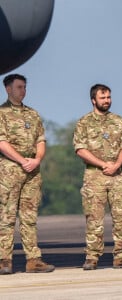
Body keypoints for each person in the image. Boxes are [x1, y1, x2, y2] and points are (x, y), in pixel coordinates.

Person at [73, 83, 122, 270]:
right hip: (95, 176)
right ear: (94, 100)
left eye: (109, 97)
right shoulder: (84, 123)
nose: (107, 101)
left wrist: (116, 164)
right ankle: (92, 257)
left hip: (118, 175)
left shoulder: (119, 121)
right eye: (103, 98)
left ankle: (121, 257)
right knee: (94, 219)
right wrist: (103, 165)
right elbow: (80, 149)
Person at [0, 74, 55, 275]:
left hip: (32, 169)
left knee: (29, 216)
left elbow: (41, 141)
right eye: (19, 87)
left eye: (24, 87)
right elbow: (2, 143)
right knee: (6, 215)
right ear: (8, 89)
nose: (23, 91)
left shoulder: (33, 114)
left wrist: (37, 159)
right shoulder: (2, 113)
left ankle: (33, 259)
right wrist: (22, 161)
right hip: (10, 169)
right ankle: (4, 260)